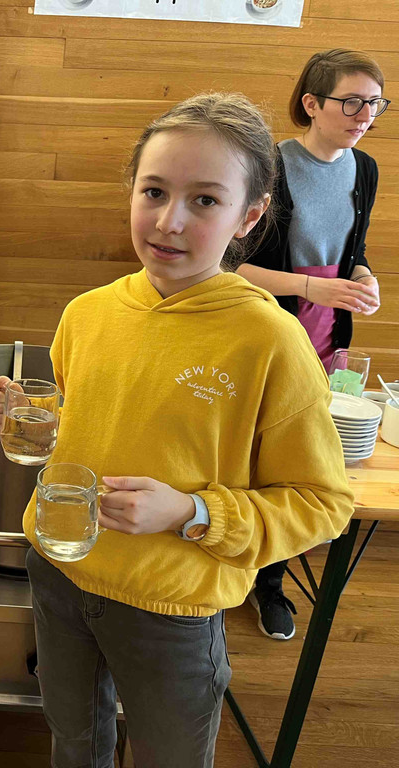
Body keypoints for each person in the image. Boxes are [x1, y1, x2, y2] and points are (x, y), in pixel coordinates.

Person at [0, 93, 353, 768]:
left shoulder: (269, 340)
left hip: (172, 607)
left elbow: (322, 504)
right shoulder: (88, 313)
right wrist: (37, 425)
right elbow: (90, 426)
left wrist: (191, 511)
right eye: (153, 191)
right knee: (73, 740)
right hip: (58, 574)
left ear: (249, 216)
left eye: (205, 200)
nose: (169, 220)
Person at [237, 48, 387, 641]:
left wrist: (365, 278)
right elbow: (231, 268)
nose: (365, 115)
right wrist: (308, 287)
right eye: (351, 102)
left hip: (328, 332)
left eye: (374, 103)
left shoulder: (365, 169)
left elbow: (355, 250)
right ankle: (228, 564)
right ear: (312, 103)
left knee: (294, 462)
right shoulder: (269, 168)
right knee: (247, 454)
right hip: (267, 330)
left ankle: (269, 584)